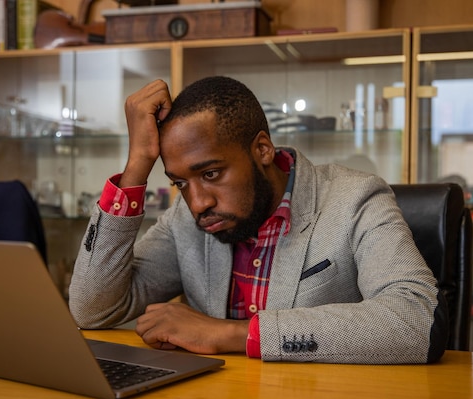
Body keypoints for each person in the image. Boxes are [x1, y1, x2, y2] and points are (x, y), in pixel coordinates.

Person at [69, 76, 448, 364]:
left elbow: (416, 321)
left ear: (262, 150)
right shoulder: (187, 218)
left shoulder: (354, 199)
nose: (198, 202)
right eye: (181, 183)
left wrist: (231, 335)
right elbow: (93, 309)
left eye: (212, 173)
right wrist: (136, 166)